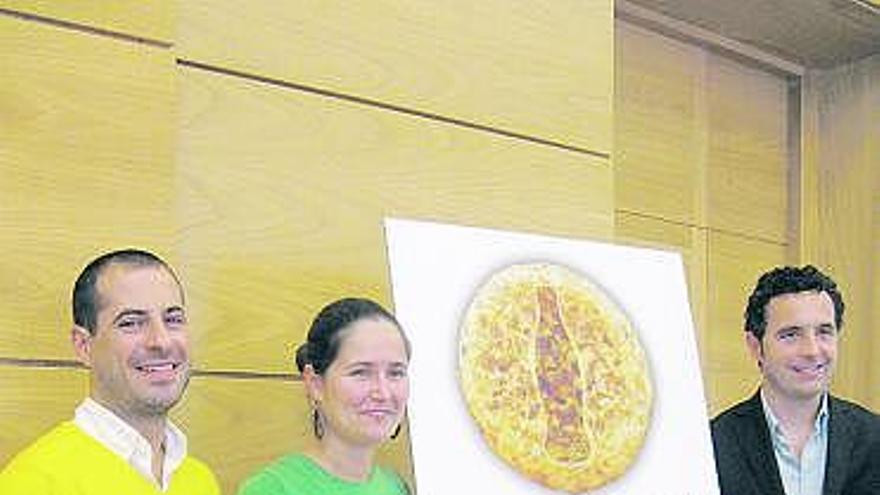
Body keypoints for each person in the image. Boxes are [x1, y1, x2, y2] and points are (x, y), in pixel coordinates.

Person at [0, 249, 220, 494]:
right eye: (131, 323)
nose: (162, 341)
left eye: (173, 319)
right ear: (84, 345)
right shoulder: (34, 483)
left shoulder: (199, 480)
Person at [710, 265, 879, 495]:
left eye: (824, 332)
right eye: (790, 335)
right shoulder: (714, 444)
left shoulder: (873, 437)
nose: (812, 350)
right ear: (756, 347)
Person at [237, 297, 411, 495]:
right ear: (315, 384)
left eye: (395, 373)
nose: (383, 392)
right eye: (361, 372)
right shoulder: (272, 488)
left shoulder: (395, 486)